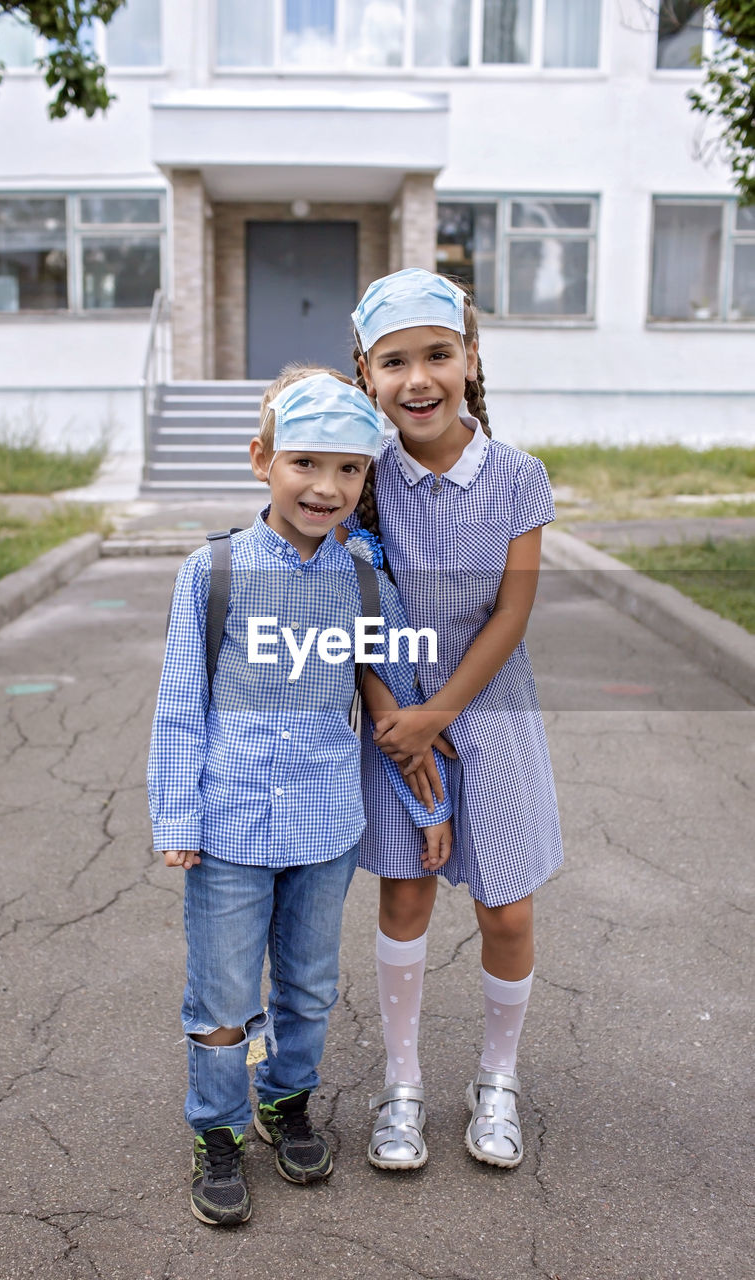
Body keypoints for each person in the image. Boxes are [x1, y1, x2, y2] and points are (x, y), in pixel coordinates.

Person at [147, 365, 452, 1227]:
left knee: (310, 986)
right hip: (228, 824)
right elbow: (180, 703)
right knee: (221, 995)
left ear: (365, 479)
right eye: (305, 464)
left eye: (349, 470)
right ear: (261, 460)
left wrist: (429, 807)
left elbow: (391, 699)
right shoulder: (212, 573)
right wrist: (176, 817)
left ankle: (285, 1100)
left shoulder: (362, 581)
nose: (326, 487)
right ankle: (216, 1128)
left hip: (325, 826)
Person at [348, 267, 563, 1172]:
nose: (418, 379)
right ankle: (402, 1084)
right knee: (405, 896)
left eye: (438, 354)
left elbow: (510, 616)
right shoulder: (359, 477)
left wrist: (439, 713)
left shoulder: (515, 476)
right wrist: (391, 712)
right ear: (365, 375)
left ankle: (497, 1077)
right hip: (394, 716)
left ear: (471, 359)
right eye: (394, 362)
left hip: (491, 716)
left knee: (504, 908)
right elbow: (346, 603)